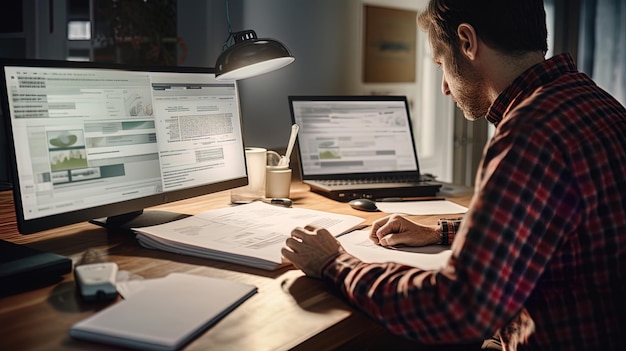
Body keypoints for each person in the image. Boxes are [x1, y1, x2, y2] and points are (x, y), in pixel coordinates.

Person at [281, 0, 626, 350]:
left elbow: (456, 307)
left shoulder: (529, 134)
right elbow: (553, 223)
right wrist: (437, 231)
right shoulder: (596, 104)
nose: (445, 87)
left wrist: (334, 262)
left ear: (466, 41)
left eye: (440, 63)